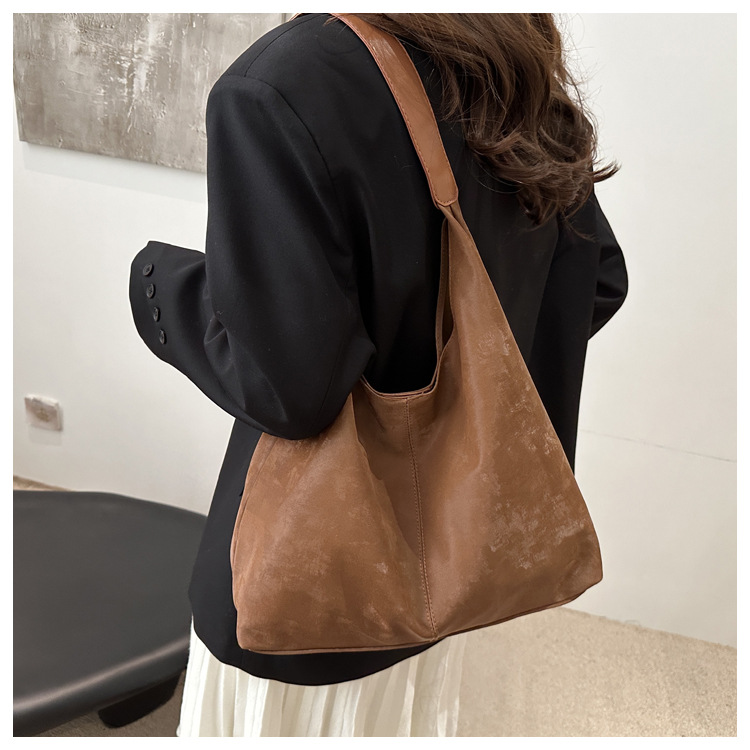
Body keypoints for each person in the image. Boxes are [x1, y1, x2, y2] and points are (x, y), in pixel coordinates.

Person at [129, 12, 628, 737]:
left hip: (313, 585)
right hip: (458, 554)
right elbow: (597, 278)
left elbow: (289, 386)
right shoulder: (505, 47)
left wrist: (160, 287)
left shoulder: (282, 82)